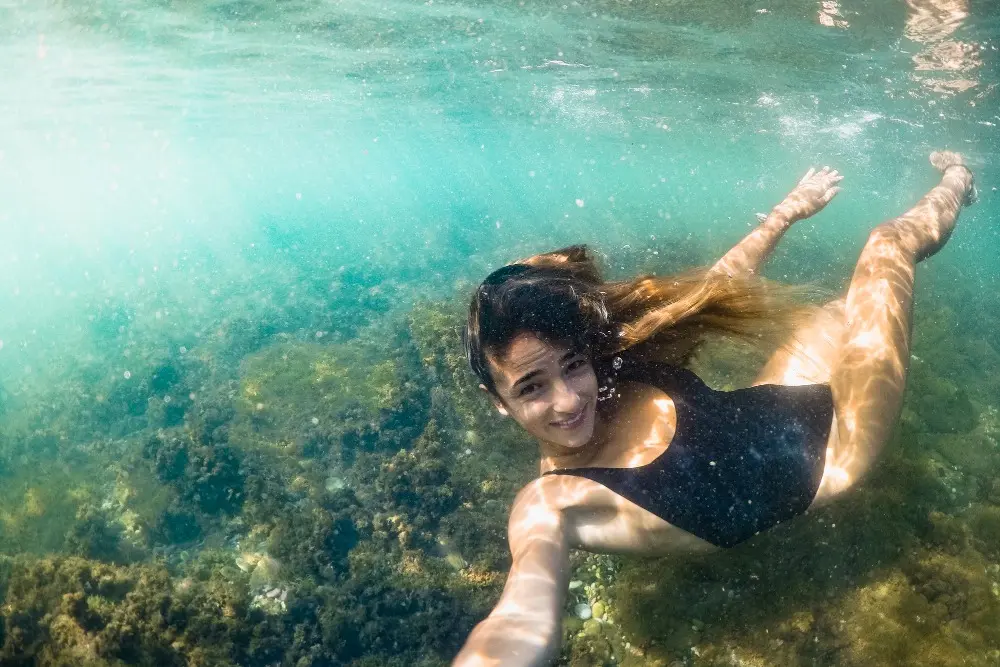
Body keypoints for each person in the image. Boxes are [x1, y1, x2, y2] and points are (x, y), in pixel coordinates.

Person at [452, 152, 977, 667]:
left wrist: (787, 212)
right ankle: (959, 179)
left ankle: (953, 194)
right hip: (835, 449)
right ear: (496, 402)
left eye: (572, 365)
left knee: (840, 310)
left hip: (779, 399)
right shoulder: (551, 504)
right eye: (531, 388)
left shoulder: (612, 368)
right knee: (887, 247)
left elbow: (713, 291)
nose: (568, 399)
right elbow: (518, 619)